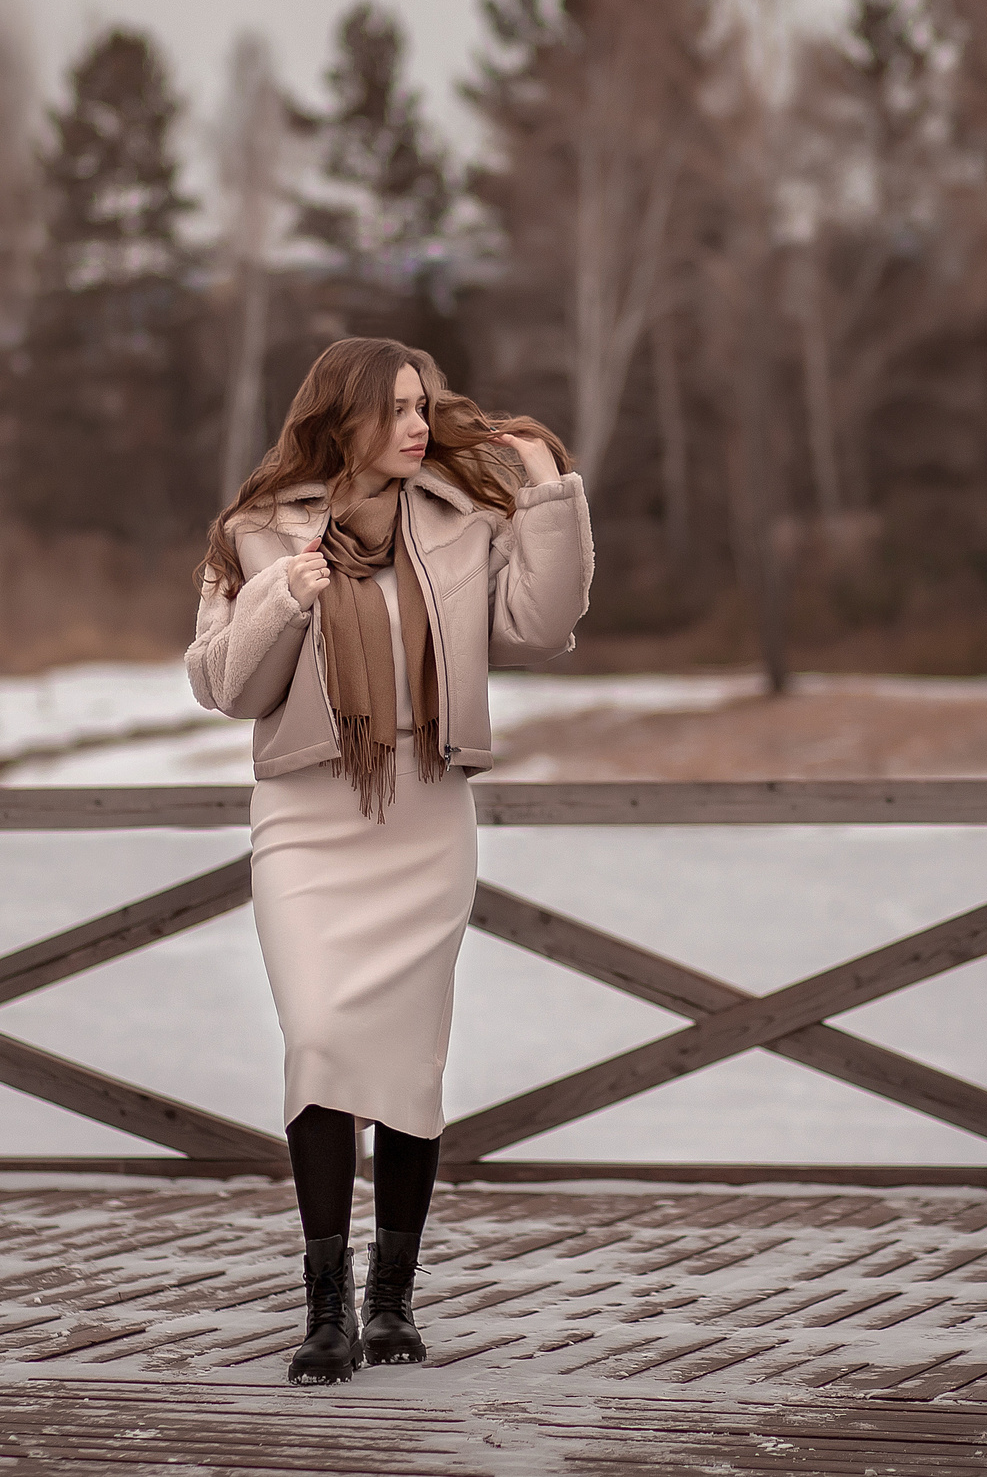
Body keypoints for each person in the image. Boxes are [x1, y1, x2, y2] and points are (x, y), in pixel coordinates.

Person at [186, 336, 593, 1385]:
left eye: (425, 406)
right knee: (319, 1039)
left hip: (425, 814)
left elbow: (544, 623)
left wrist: (546, 491)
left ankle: (392, 1304)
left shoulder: (460, 524)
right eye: (398, 409)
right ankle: (325, 1315)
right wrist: (286, 591)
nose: (419, 424)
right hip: (308, 816)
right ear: (345, 417)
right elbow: (223, 687)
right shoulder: (254, 532)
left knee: (409, 1063)